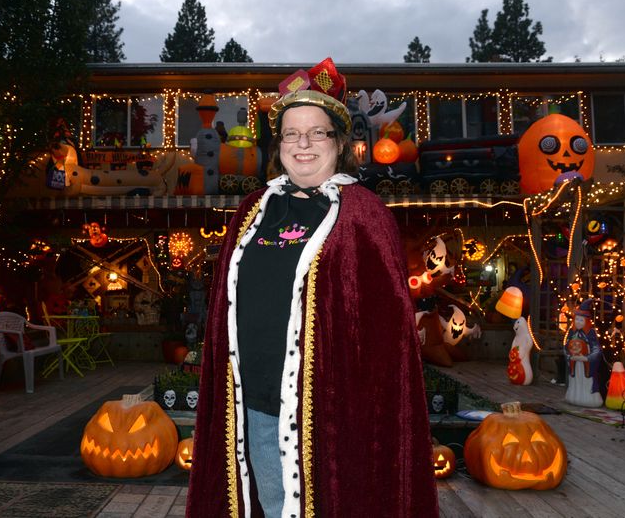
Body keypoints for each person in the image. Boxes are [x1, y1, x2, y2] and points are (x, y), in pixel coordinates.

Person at [186, 58, 439, 517]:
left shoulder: (363, 214)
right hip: (257, 405)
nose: (302, 144)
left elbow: (390, 338)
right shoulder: (252, 210)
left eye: (317, 133)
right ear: (277, 142)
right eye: (290, 133)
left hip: (337, 415)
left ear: (340, 142)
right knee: (271, 505)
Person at [564, 299, 603, 407]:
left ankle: (589, 398)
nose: (578, 322)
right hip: (575, 364)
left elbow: (596, 349)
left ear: (586, 321)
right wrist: (569, 356)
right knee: (575, 381)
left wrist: (586, 358)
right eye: (577, 320)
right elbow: (566, 346)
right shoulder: (571, 332)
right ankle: (573, 396)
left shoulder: (591, 333)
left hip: (585, 364)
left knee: (586, 381)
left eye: (581, 320)